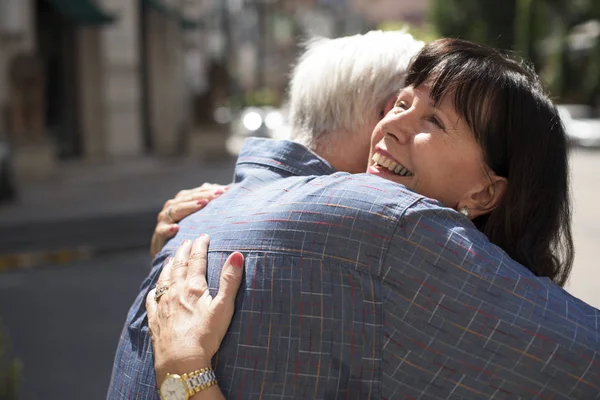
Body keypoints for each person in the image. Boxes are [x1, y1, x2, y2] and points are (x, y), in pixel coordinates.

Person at [109, 37, 600, 399]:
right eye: (403, 103)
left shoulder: (202, 220)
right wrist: (185, 375)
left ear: (488, 190)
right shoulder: (388, 223)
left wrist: (185, 370)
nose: (395, 125)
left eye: (434, 120)